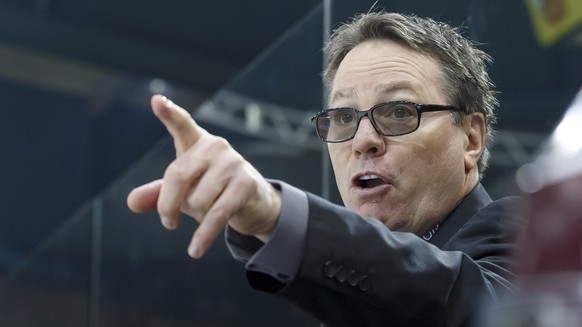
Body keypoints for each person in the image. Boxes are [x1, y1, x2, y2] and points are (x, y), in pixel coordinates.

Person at [127, 11, 524, 327]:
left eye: (400, 111)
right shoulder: (346, 304)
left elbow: (469, 306)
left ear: (471, 139)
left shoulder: (525, 235)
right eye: (343, 117)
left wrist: (275, 211)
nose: (363, 140)